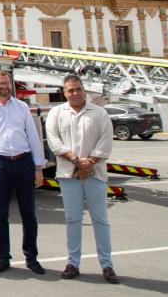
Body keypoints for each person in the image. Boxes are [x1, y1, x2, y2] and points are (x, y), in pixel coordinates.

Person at [46, 74, 120, 284]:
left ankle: (107, 265)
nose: (75, 93)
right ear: (64, 92)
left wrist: (89, 164)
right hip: (69, 176)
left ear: (83, 90)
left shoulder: (99, 113)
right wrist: (78, 162)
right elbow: (54, 142)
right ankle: (73, 263)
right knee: (73, 219)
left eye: (78, 89)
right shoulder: (56, 113)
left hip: (95, 175)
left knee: (100, 220)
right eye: (70, 90)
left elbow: (105, 142)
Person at [0, 69, 47, 274]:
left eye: (6, 82)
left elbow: (33, 137)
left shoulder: (22, 107)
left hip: (23, 162)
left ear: (10, 84)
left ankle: (31, 257)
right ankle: (3, 257)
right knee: (0, 214)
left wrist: (38, 167)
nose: (3, 86)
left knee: (28, 213)